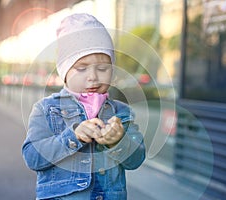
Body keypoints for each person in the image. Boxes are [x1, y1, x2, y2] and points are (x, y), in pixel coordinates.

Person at [22, 13, 146, 200]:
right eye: (81, 68)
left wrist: (118, 141)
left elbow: (136, 159)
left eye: (103, 68)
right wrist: (73, 136)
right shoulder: (47, 109)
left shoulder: (122, 113)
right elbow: (33, 157)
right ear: (65, 70)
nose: (93, 77)